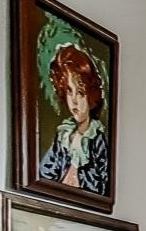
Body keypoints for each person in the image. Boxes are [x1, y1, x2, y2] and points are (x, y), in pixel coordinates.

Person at [37, 42, 111, 197]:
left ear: (91, 95)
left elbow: (100, 183)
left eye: (81, 93)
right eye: (69, 91)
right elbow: (45, 172)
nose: (74, 101)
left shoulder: (97, 139)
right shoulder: (64, 135)